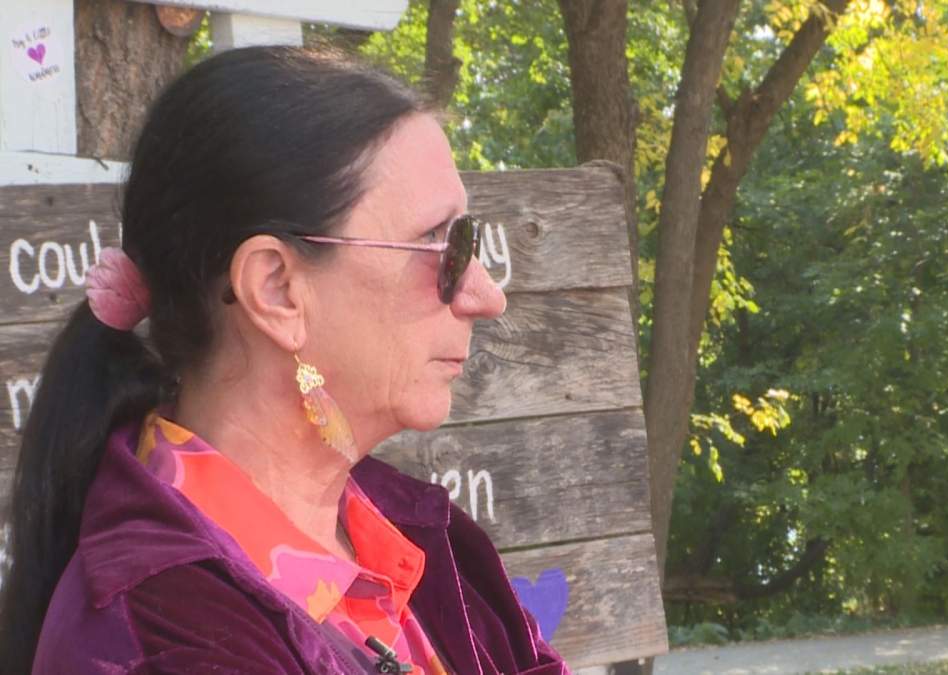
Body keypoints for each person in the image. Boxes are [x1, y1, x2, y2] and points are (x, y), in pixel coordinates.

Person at [0, 46, 568, 675]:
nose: (486, 295)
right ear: (276, 290)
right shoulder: (166, 639)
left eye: (470, 238)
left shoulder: (418, 538)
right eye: (440, 243)